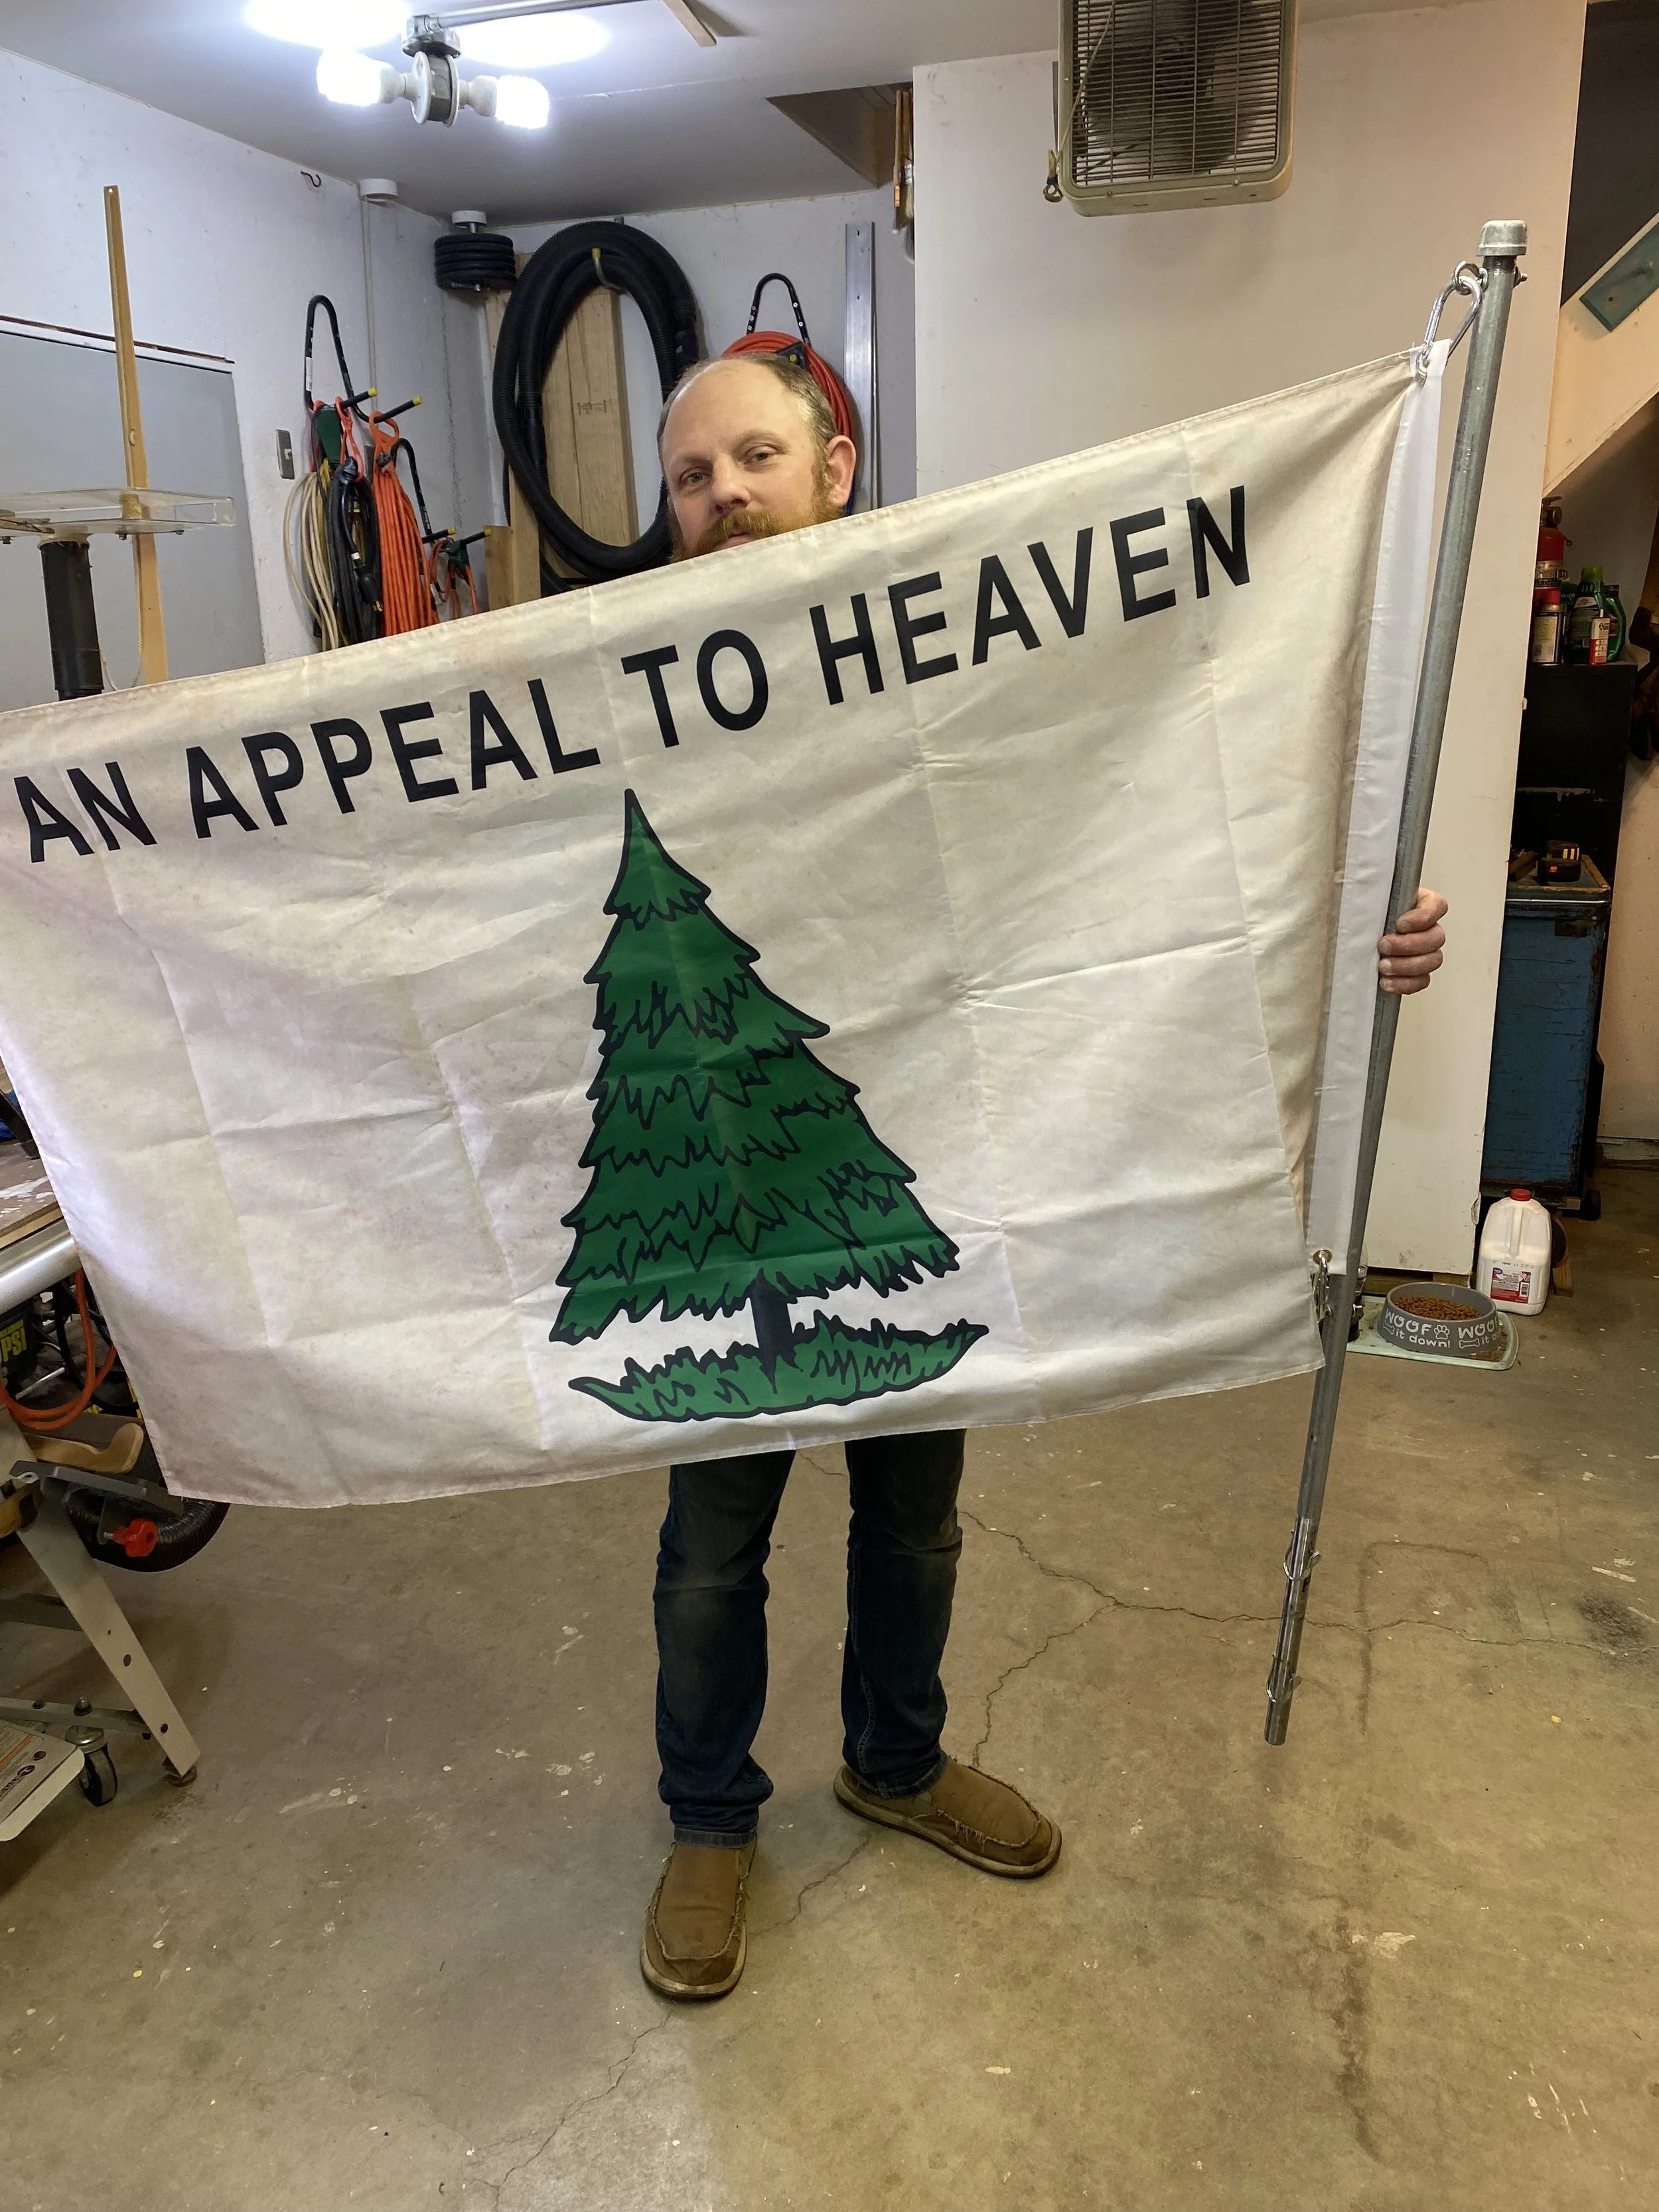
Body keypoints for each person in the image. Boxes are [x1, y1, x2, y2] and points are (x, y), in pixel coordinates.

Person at [638, 354, 1449, 2002]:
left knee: (914, 1518)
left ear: (835, 465)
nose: (720, 495)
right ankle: (709, 1817)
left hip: (903, 1165)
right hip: (719, 1198)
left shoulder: (939, 653)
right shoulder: (617, 679)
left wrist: (1336, 909)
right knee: (713, 1544)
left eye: (752, 457)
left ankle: (893, 1756)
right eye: (688, 476)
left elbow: (1126, 823)